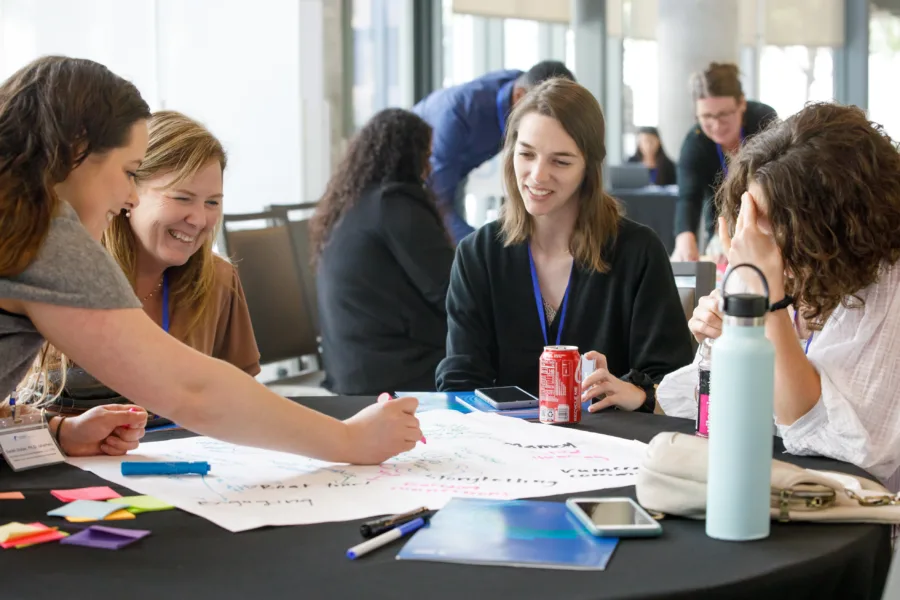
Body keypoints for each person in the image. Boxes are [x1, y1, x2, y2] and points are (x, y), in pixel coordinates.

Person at [0, 56, 421, 464]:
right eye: (129, 172)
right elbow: (191, 390)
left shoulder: (18, 224)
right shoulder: (47, 237)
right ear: (77, 150)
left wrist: (59, 433)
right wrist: (349, 439)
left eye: (212, 201)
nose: (129, 195)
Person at [657, 103, 900, 489]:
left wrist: (767, 301)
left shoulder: (885, 288)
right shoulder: (783, 263)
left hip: (850, 512)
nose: (751, 235)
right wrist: (725, 333)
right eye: (748, 214)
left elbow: (835, 444)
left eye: (769, 220)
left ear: (829, 226)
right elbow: (705, 406)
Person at [435, 78, 694, 412]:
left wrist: (638, 392)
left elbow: (672, 382)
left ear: (589, 167)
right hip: (506, 450)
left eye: (560, 161)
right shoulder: (478, 255)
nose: (537, 175)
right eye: (526, 154)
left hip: (612, 452)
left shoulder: (637, 252)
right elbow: (461, 379)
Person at [29, 110, 260, 421]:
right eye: (182, 198)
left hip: (182, 459)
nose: (200, 219)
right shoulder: (58, 273)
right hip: (63, 461)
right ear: (128, 193)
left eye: (212, 202)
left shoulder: (217, 280)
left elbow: (241, 401)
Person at [311, 108, 454, 395]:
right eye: (426, 157)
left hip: (352, 369)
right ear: (410, 158)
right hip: (395, 372)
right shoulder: (396, 204)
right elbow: (449, 290)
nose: (429, 168)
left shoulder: (353, 207)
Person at [413, 61, 576, 244]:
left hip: (454, 172)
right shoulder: (456, 117)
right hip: (416, 177)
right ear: (518, 96)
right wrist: (485, 250)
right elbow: (439, 204)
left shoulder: (528, 88)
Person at [671, 62, 777, 262]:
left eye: (724, 114)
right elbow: (688, 196)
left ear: (742, 104)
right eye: (707, 116)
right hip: (721, 222)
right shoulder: (695, 142)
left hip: (769, 216)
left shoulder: (764, 120)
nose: (717, 125)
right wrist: (684, 236)